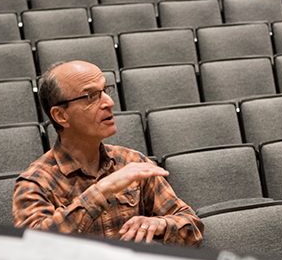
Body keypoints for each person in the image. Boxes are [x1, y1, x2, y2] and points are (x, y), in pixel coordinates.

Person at [13, 60, 203, 245]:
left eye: (105, 91)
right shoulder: (35, 183)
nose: (109, 102)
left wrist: (160, 224)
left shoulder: (131, 162)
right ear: (61, 116)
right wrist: (102, 190)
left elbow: (192, 228)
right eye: (90, 96)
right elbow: (34, 248)